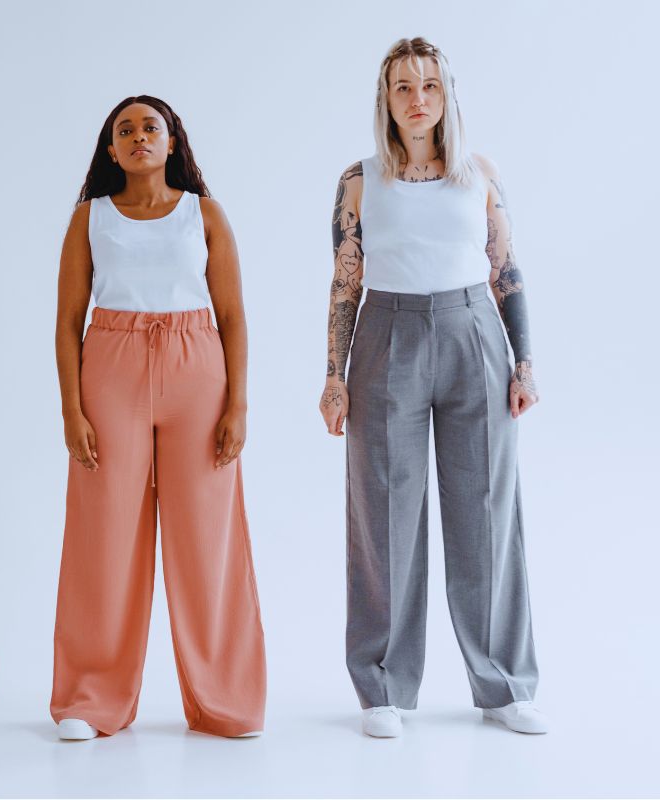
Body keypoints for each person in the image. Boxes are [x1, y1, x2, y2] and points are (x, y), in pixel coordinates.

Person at [319, 37, 548, 738]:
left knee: (486, 511)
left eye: (428, 86)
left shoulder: (480, 173)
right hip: (388, 337)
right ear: (385, 102)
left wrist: (525, 361)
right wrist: (333, 375)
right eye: (402, 88)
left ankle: (504, 686)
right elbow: (345, 282)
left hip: (473, 332)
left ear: (447, 95)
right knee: (384, 514)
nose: (417, 100)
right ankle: (384, 687)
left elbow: (505, 266)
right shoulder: (359, 181)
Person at [50, 95, 267, 740]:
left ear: (173, 142)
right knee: (104, 536)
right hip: (110, 370)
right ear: (110, 148)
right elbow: (66, 323)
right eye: (126, 129)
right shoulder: (90, 218)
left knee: (207, 539)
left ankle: (226, 700)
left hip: (196, 370)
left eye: (152, 127)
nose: (139, 136)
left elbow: (232, 316)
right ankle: (91, 699)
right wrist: (72, 408)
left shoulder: (205, 215)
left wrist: (238, 404)